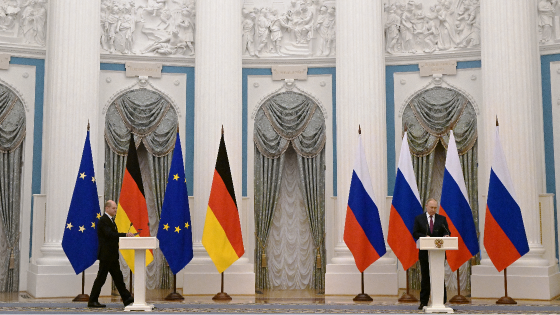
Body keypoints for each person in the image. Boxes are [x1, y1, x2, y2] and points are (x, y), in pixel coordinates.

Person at [88, 200, 135, 308]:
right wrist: (125, 235)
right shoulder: (103, 220)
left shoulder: (110, 220)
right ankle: (92, 300)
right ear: (107, 209)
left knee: (118, 278)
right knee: (101, 278)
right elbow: (109, 234)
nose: (115, 210)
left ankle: (127, 298)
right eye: (114, 208)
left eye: (116, 208)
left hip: (112, 255)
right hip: (106, 255)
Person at [412, 198, 450, 310]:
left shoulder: (442, 219)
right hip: (424, 253)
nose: (433, 209)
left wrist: (446, 236)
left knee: (439, 276)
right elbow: (415, 232)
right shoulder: (419, 218)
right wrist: (424, 237)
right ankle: (424, 302)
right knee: (425, 277)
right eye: (431, 207)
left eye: (435, 207)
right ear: (426, 206)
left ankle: (441, 301)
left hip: (438, 254)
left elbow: (446, 231)